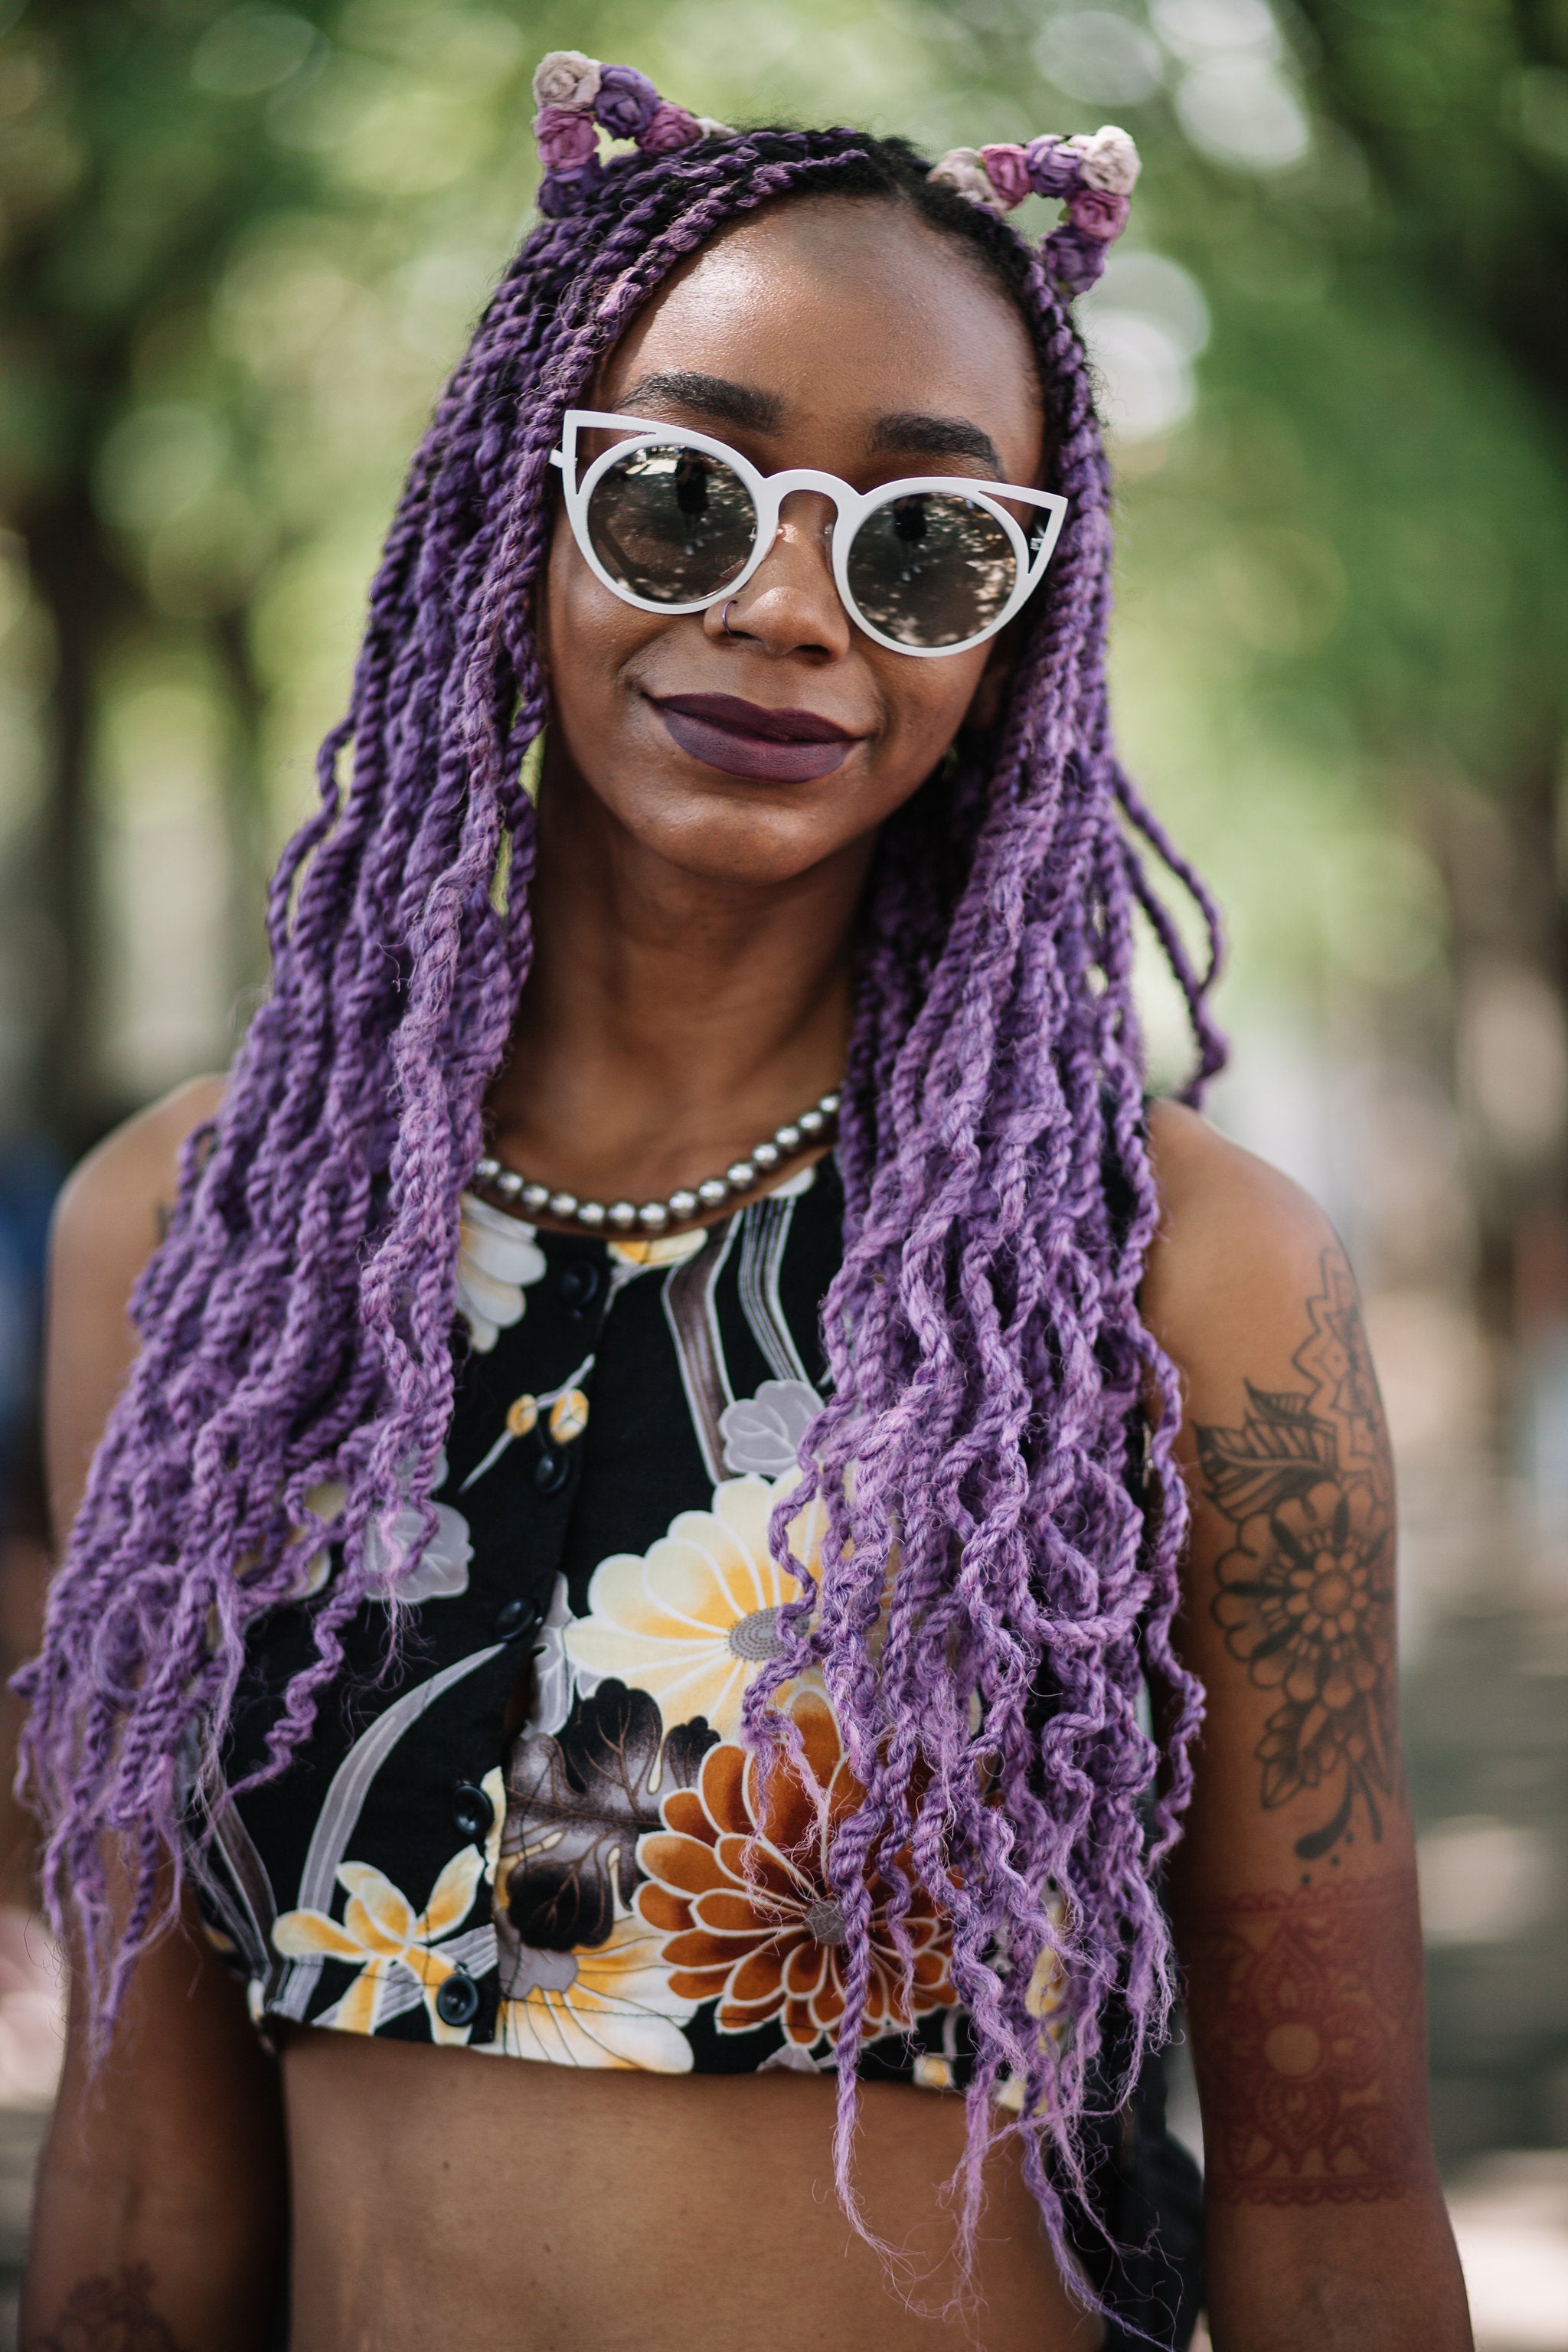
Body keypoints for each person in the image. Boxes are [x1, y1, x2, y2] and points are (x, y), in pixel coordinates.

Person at [18, 57, 1472, 2352]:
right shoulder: (194, 1251)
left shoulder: (1182, 1275)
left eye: (920, 544)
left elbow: (1335, 2200)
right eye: (682, 502)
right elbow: (139, 2169)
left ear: (1010, 643)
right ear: (522, 515)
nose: (794, 609)